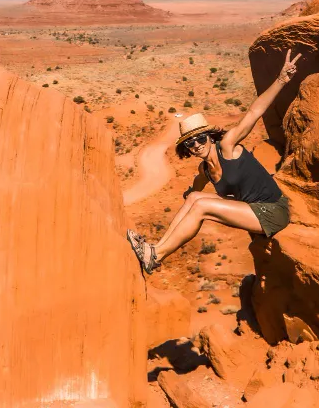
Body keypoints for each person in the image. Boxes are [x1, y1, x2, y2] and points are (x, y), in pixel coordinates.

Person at [126, 50, 301, 274]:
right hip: (250, 210)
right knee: (196, 199)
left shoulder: (227, 146)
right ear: (186, 149)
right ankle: (154, 249)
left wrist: (281, 80)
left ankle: (156, 255)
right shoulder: (205, 169)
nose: (197, 145)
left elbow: (254, 112)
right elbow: (195, 190)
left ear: (210, 136)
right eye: (190, 143)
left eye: (200, 138)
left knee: (202, 205)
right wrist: (190, 192)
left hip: (272, 212)